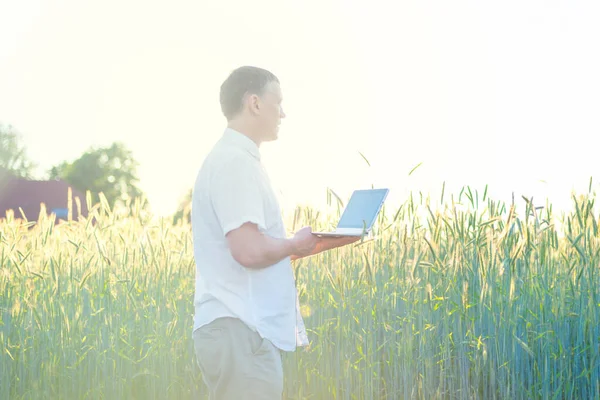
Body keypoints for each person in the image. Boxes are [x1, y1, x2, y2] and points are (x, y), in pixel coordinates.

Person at [191, 66, 359, 400]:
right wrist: (293, 243)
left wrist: (309, 245)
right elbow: (248, 251)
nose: (283, 112)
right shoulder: (235, 162)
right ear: (254, 103)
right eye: (277, 102)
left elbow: (253, 249)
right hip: (241, 330)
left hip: (236, 331)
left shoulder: (234, 159)